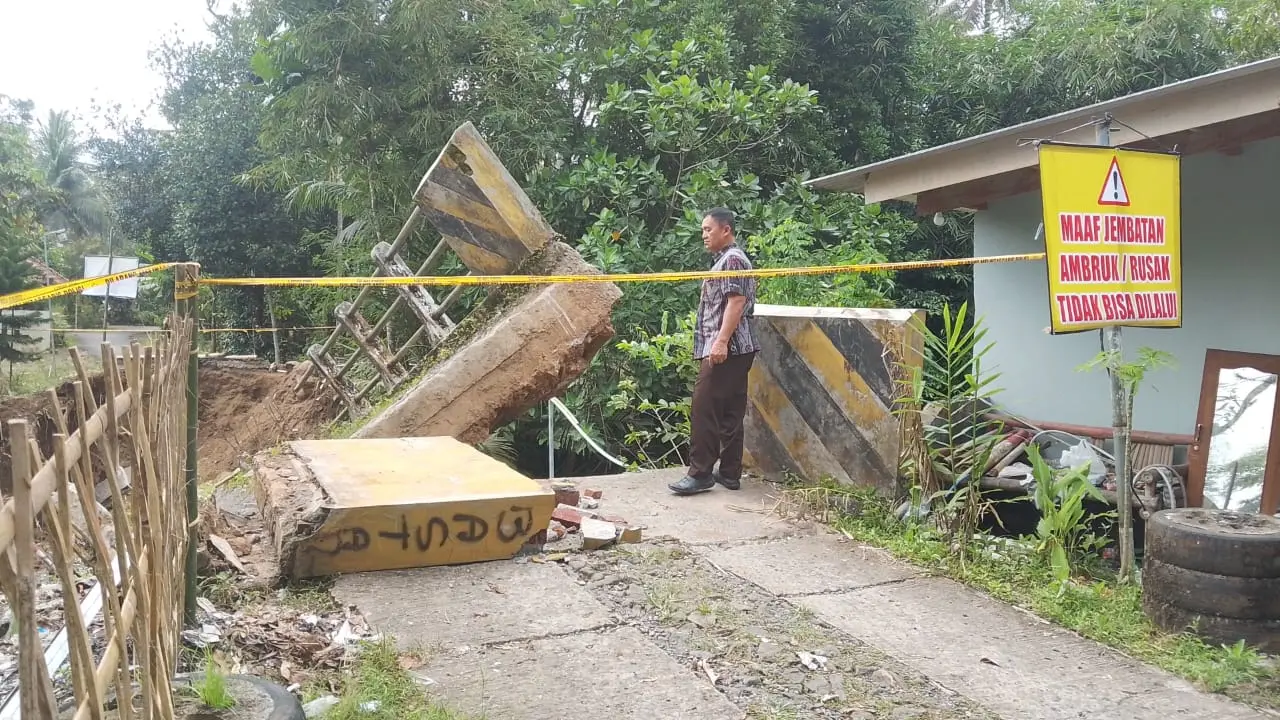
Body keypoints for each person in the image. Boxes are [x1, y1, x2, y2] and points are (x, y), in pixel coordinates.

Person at [669, 207, 759, 496]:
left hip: (728, 346)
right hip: (741, 346)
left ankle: (700, 473)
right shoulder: (728, 259)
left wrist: (720, 342)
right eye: (703, 230)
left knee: (704, 406)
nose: (704, 235)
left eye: (708, 229)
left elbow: (736, 302)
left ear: (726, 230)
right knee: (731, 408)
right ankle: (730, 473)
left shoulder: (732, 259)